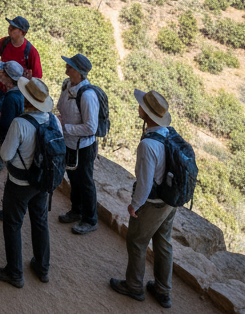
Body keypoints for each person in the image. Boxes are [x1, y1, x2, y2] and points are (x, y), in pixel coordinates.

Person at [109, 89, 177, 308]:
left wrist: (134, 205)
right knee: (163, 243)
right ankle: (162, 290)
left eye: (141, 106)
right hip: (169, 201)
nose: (138, 107)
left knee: (136, 241)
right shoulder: (167, 134)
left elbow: (145, 183)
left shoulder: (148, 145)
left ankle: (134, 286)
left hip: (153, 204)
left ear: (147, 113)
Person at [0, 76, 59, 288]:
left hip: (19, 182)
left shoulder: (20, 123)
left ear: (27, 101)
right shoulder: (52, 120)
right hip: (42, 181)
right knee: (40, 222)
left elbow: (5, 155)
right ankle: (42, 267)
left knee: (12, 224)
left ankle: (15, 272)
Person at [0, 17, 41, 170]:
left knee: (16, 124)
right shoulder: (3, 43)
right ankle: (2, 156)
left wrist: (26, 81)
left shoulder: (30, 51)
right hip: (3, 89)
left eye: (14, 28)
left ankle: (13, 155)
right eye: (10, 26)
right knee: (3, 123)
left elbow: (37, 76)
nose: (10, 29)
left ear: (23, 33)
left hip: (19, 95)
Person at [56, 53, 100, 235]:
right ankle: (76, 210)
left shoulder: (88, 95)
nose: (67, 67)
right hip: (70, 143)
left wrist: (65, 128)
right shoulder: (68, 85)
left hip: (83, 146)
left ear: (79, 73)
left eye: (70, 66)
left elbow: (91, 127)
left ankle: (90, 219)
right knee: (73, 178)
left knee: (86, 182)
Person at [0, 59, 25, 162]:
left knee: (7, 156)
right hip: (15, 133)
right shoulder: (19, 92)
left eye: (3, 72)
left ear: (9, 78)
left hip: (9, 136)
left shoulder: (10, 98)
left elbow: (6, 124)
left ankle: (3, 162)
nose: (0, 73)